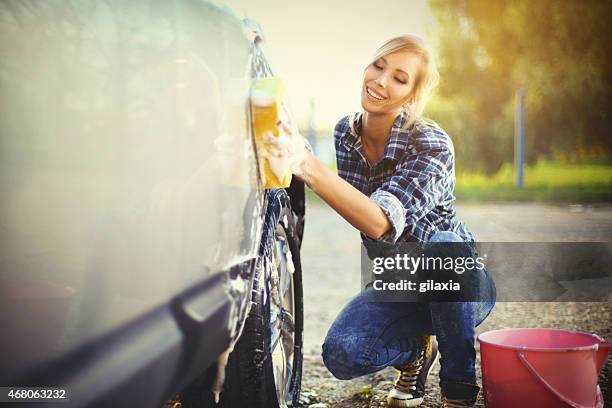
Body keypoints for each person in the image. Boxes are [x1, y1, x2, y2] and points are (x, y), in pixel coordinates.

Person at [273, 35, 496, 407]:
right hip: (399, 282)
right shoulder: (346, 134)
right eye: (378, 66)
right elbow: (351, 202)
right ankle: (415, 354)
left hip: (459, 289)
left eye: (399, 77)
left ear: (412, 95)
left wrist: (308, 166)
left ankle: (458, 388)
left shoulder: (432, 143)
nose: (380, 81)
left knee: (443, 247)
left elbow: (378, 222)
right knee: (342, 354)